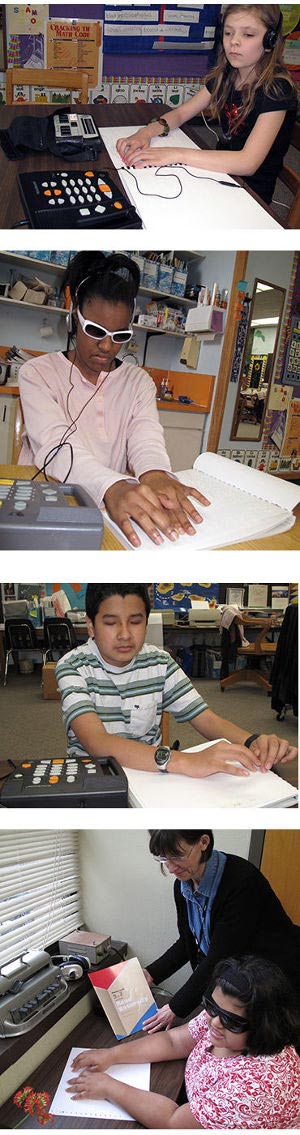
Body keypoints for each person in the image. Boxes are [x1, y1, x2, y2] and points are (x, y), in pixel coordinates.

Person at [18, 251, 209, 548]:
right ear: (74, 315)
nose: (107, 346)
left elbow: (146, 438)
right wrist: (113, 485)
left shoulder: (138, 381)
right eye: (95, 331)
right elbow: (55, 446)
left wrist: (155, 473)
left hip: (113, 505)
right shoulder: (36, 373)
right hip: (50, 500)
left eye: (120, 335)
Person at [55, 584, 297, 780]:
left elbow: (205, 718)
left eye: (136, 622)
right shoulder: (73, 666)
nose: (125, 634)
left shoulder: (160, 662)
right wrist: (183, 760)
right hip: (93, 779)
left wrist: (253, 741)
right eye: (110, 623)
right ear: (90, 626)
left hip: (151, 776)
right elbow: (97, 742)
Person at [67, 956, 300, 1128]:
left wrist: (109, 1087)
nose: (215, 1022)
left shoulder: (256, 1088)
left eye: (230, 1020)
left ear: (263, 1025)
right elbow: (174, 1040)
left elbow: (173, 1123)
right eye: (211, 1006)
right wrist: (112, 1055)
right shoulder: (221, 1017)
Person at [116, 5, 297, 206]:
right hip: (219, 170)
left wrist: (177, 154)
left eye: (248, 35)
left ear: (270, 41)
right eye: (228, 33)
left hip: (249, 193)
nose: (234, 41)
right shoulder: (227, 76)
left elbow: (247, 163)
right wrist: (146, 132)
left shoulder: (277, 89)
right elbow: (182, 113)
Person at [142, 829, 300, 1031]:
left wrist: (175, 1007)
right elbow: (187, 941)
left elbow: (220, 956)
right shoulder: (183, 885)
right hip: (239, 982)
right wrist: (149, 974)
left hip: (278, 981)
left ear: (203, 842)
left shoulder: (242, 883)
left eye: (178, 856)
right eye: (164, 858)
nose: (171, 868)